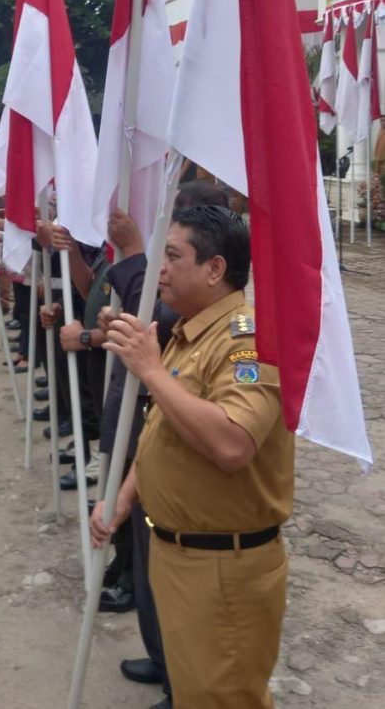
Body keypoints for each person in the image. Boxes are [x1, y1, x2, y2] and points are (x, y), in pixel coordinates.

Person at [92, 206, 294, 709]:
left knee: (224, 697)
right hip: (180, 554)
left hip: (223, 566)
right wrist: (123, 498)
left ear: (215, 269)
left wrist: (150, 370)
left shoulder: (248, 338)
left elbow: (231, 444)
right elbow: (166, 431)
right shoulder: (188, 333)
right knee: (194, 692)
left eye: (173, 256)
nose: (159, 268)